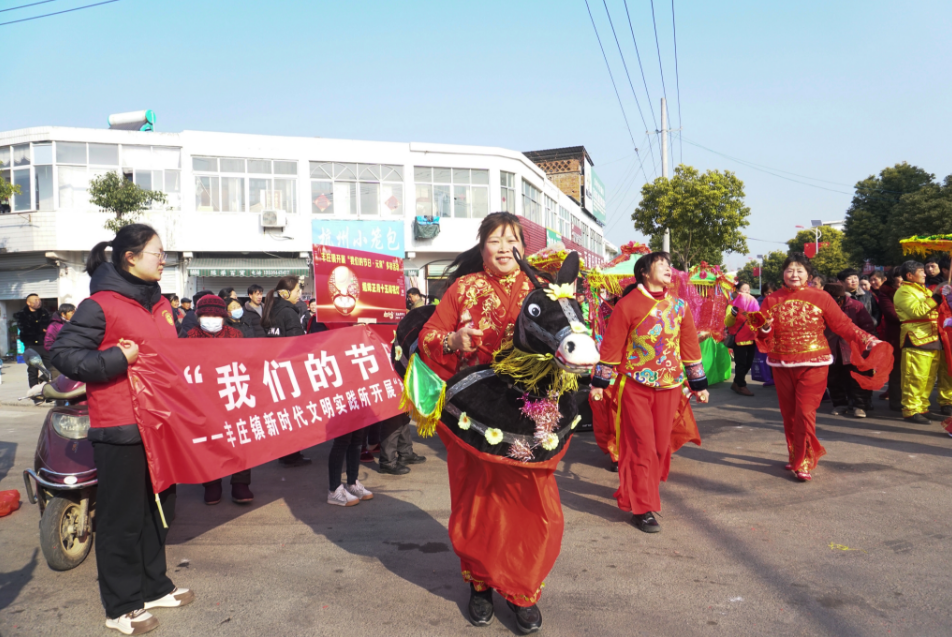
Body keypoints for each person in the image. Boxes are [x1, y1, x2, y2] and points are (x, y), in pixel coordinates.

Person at [50, 224, 193, 635]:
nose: (163, 259)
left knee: (158, 511)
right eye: (157, 253)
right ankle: (122, 606)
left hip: (161, 425)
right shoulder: (100, 305)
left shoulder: (161, 304)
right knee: (122, 518)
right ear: (130, 257)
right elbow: (64, 354)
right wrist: (115, 358)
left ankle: (154, 587)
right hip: (121, 427)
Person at [417, 212, 548, 633]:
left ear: (523, 248)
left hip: (529, 418)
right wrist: (454, 340)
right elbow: (429, 338)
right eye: (495, 239)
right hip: (473, 416)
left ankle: (522, 590)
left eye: (512, 240)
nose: (504, 247)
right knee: (476, 503)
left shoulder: (542, 290)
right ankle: (479, 584)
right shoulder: (462, 288)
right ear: (482, 245)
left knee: (530, 505)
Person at [592, 252, 709, 533]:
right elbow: (611, 347)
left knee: (658, 446)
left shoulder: (679, 307)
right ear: (644, 272)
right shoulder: (628, 305)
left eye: (670, 266)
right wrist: (599, 383)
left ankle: (641, 492)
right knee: (641, 446)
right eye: (661, 264)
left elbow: (690, 347)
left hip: (669, 387)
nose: (669, 269)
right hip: (634, 386)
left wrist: (699, 385)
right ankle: (642, 508)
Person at [750, 254, 879, 481]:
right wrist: (766, 329)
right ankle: (795, 455)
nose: (794, 275)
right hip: (781, 363)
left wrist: (867, 339)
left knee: (805, 412)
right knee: (789, 414)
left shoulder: (821, 297)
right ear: (783, 273)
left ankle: (806, 460)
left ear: (808, 275)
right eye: (790, 270)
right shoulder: (771, 300)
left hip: (814, 363)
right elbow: (759, 332)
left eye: (799, 270)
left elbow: (842, 324)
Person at [185, 295, 255, 505]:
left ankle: (240, 483)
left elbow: (247, 361)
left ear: (223, 317)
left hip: (232, 394)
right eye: (206, 315)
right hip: (202, 398)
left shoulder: (236, 334)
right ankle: (212, 482)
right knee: (208, 440)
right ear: (198, 317)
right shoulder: (189, 336)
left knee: (239, 438)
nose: (211, 319)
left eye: (216, 315)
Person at [261, 276, 312, 467]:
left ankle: (285, 452)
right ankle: (292, 454)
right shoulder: (289, 313)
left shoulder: (271, 310)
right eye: (298, 290)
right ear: (286, 293)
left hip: (274, 370)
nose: (300, 294)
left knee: (283, 413)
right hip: (289, 371)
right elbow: (297, 344)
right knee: (292, 413)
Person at [893, 260, 952, 422]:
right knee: (914, 376)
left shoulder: (923, 290)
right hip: (915, 336)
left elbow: (936, 309)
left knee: (928, 378)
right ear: (909, 275)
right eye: (921, 271)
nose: (925, 273)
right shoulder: (904, 291)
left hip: (932, 337)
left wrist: (945, 297)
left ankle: (922, 407)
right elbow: (917, 311)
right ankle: (911, 409)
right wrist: (937, 296)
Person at [823, 283, 876, 418]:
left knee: (859, 378)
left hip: (854, 348)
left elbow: (867, 326)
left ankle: (860, 406)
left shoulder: (855, 306)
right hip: (831, 348)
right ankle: (840, 404)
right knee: (834, 379)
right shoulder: (821, 307)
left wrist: (867, 344)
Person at [871, 269, 902, 411]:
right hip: (895, 336)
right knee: (896, 370)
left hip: (914, 335)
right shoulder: (886, 294)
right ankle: (896, 401)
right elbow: (892, 315)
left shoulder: (914, 291)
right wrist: (915, 317)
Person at [726, 281, 759, 396]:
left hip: (752, 337)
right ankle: (741, 385)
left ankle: (736, 383)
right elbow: (727, 323)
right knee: (741, 364)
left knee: (749, 363)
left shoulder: (753, 305)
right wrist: (732, 315)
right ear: (737, 291)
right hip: (739, 339)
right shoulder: (732, 305)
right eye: (744, 290)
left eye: (748, 290)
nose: (747, 292)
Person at [14, 293, 52, 387]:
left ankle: (50, 386)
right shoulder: (22, 315)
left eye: (39, 300)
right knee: (33, 370)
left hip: (45, 344)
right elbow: (25, 329)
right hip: (31, 345)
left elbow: (50, 326)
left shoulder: (45, 313)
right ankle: (34, 392)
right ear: (28, 303)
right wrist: (41, 329)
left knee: (53, 368)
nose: (38, 302)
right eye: (35, 300)